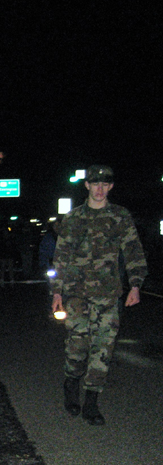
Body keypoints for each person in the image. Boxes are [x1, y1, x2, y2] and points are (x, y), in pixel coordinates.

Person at [51, 165, 147, 426]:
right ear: (87, 186)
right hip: (76, 295)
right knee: (78, 346)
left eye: (105, 184)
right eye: (95, 184)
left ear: (111, 186)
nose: (100, 188)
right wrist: (56, 291)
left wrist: (136, 284)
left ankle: (91, 402)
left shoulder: (120, 216)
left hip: (108, 294)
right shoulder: (73, 218)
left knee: (103, 348)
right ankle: (71, 384)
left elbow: (133, 250)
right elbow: (60, 257)